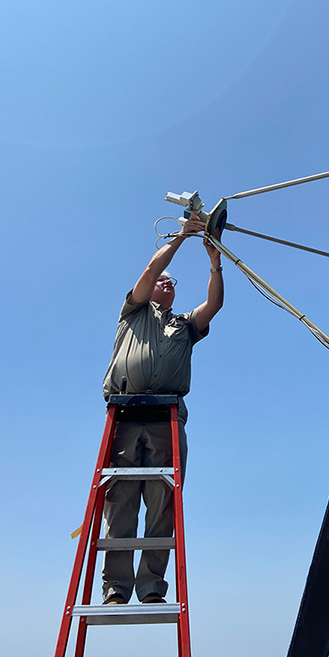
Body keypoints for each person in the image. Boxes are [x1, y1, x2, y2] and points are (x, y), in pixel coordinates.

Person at [101, 214, 223, 605]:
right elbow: (153, 267)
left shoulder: (184, 325)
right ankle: (116, 588)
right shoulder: (133, 311)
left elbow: (215, 303)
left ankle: (151, 585)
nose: (166, 282)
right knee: (120, 503)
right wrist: (184, 237)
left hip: (166, 419)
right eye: (161, 281)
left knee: (162, 504)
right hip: (124, 414)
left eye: (172, 282)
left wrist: (214, 257)